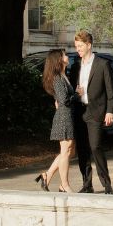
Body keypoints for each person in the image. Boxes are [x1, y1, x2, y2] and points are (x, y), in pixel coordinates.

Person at [67, 29, 113, 194]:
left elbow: (111, 92)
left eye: (80, 46)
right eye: (76, 46)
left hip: (96, 111)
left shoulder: (102, 64)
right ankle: (87, 184)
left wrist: (110, 112)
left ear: (89, 45)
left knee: (95, 146)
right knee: (82, 149)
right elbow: (72, 90)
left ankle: (106, 184)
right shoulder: (76, 66)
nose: (78, 49)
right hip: (80, 111)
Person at [35, 49, 77, 193]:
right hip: (64, 116)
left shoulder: (63, 75)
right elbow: (64, 100)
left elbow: (61, 98)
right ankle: (64, 185)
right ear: (58, 60)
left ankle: (47, 175)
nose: (67, 56)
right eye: (64, 55)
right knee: (66, 150)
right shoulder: (57, 77)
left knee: (70, 151)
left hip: (68, 114)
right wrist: (77, 94)